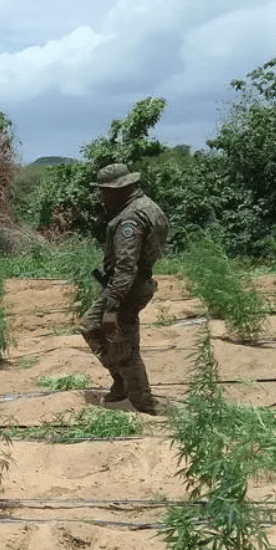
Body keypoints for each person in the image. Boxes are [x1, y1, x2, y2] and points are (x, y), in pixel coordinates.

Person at [80, 163, 169, 415]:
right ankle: (121, 381)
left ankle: (145, 405)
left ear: (119, 189)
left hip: (127, 287)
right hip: (133, 284)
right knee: (91, 326)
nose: (102, 196)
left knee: (124, 345)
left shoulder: (130, 218)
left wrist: (113, 305)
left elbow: (126, 266)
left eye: (104, 191)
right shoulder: (146, 206)